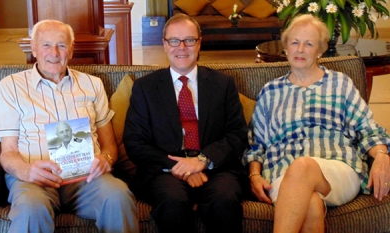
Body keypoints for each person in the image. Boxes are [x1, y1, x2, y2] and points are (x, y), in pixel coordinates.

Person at [242, 14, 390, 233]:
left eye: (308, 44)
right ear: (286, 48)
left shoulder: (340, 84)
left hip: (338, 169)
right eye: (295, 42)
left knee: (303, 166)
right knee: (311, 204)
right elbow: (257, 145)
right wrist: (254, 175)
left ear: (320, 50)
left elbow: (367, 128)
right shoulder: (270, 91)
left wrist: (381, 155)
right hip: (281, 174)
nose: (300, 49)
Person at [0, 19, 139, 233]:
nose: (54, 52)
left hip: (87, 179)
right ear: (33, 48)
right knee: (32, 208)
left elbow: (109, 145)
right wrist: (27, 170)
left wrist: (106, 160)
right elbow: (8, 152)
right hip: (34, 179)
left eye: (61, 45)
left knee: (119, 197)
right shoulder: (10, 86)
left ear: (71, 49)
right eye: (46, 45)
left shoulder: (92, 85)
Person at [124, 13, 248, 233]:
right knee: (173, 201)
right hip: (165, 172)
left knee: (225, 200)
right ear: (164, 44)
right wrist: (181, 167)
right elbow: (135, 142)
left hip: (216, 168)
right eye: (174, 40)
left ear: (199, 43)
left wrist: (203, 160)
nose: (181, 47)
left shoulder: (223, 84)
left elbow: (237, 134)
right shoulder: (145, 87)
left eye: (189, 40)